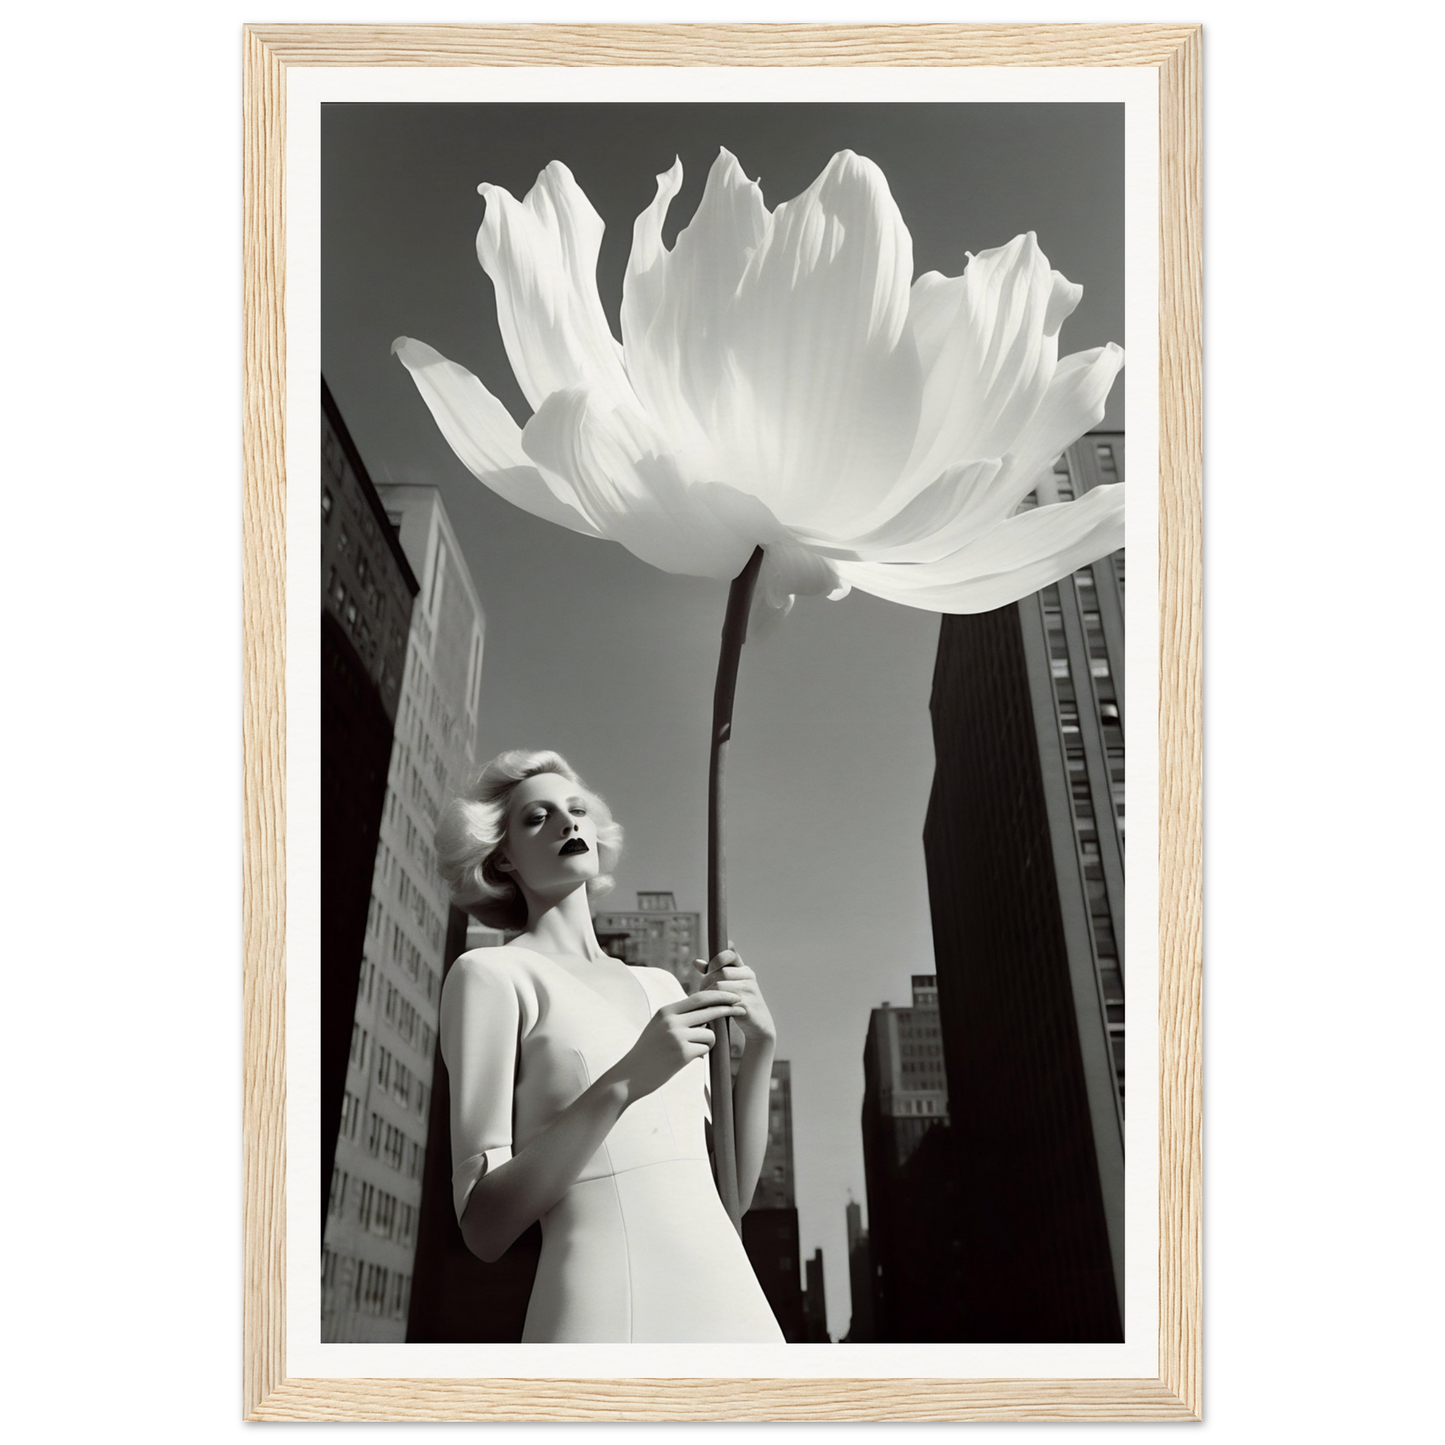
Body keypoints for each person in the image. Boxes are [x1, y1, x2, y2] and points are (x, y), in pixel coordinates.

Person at [433, 748, 786, 1343]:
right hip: (607, 1307)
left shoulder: (662, 987)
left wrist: (760, 1047)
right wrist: (626, 1081)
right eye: (536, 817)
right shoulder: (490, 976)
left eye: (576, 810)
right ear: (503, 858)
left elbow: (731, 1196)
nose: (568, 823)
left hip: (734, 1304)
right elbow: (483, 1227)